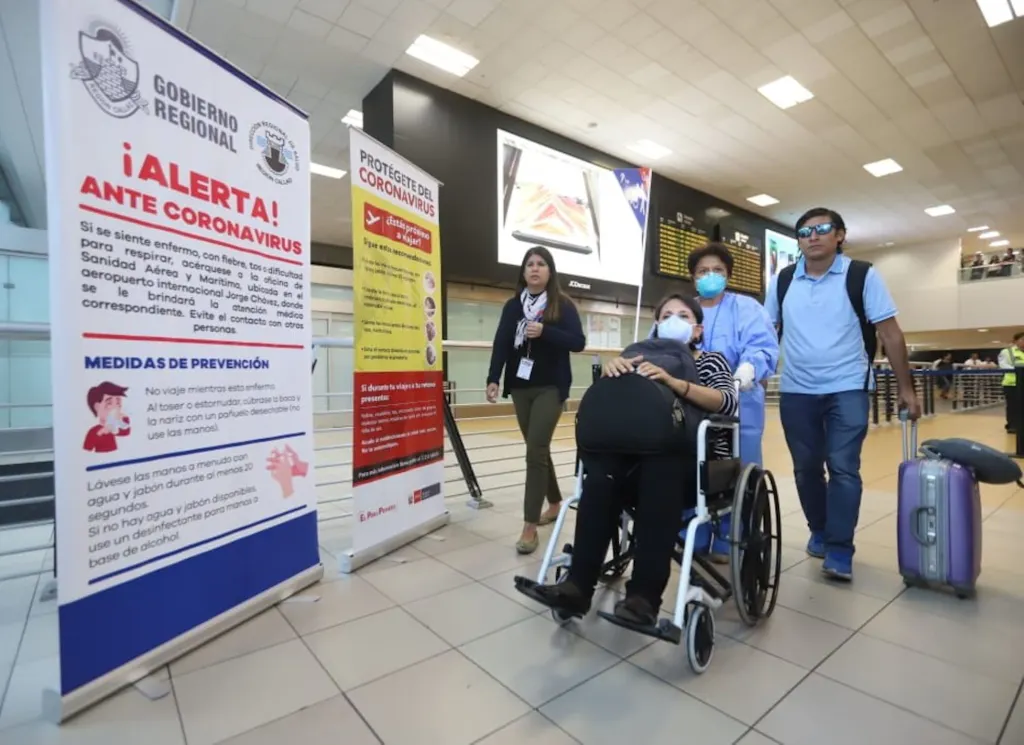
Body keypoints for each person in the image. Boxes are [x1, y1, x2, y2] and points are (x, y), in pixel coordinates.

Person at [516, 294, 737, 626]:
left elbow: (727, 402)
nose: (673, 319)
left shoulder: (710, 361)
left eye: (683, 315)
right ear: (657, 325)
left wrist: (675, 382)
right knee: (601, 478)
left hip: (688, 465)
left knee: (660, 476)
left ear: (697, 330)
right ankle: (577, 587)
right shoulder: (635, 357)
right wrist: (611, 374)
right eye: (666, 314)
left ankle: (643, 598)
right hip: (628, 462)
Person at [765, 207, 921, 582]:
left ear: (840, 235)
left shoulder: (861, 275)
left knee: (843, 467)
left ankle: (839, 548)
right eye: (804, 232)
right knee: (805, 469)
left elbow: (890, 333)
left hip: (847, 388)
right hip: (797, 390)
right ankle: (818, 530)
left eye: (821, 229)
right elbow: (767, 331)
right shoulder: (783, 280)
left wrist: (906, 388)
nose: (812, 236)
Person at [486, 246, 586, 554]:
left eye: (541, 264)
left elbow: (578, 342)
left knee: (534, 450)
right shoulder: (513, 306)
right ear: (523, 271)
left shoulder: (562, 305)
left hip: (551, 387)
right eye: (529, 264)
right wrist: (493, 378)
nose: (535, 268)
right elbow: (502, 342)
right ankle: (555, 502)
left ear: (550, 271)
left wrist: (545, 331)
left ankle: (529, 526)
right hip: (520, 386)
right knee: (537, 447)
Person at [687, 242, 779, 561]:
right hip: (690, 406)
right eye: (703, 271)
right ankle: (693, 536)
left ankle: (731, 536)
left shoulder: (746, 308)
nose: (710, 276)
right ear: (693, 278)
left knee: (737, 471)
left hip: (740, 406)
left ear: (728, 275)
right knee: (692, 469)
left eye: (718, 271)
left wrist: (748, 369)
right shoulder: (682, 310)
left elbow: (763, 346)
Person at [997, 332, 1024, 435]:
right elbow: (1004, 365)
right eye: (1022, 339)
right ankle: (1012, 425)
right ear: (1015, 341)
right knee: (1013, 405)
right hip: (1011, 383)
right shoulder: (1006, 352)